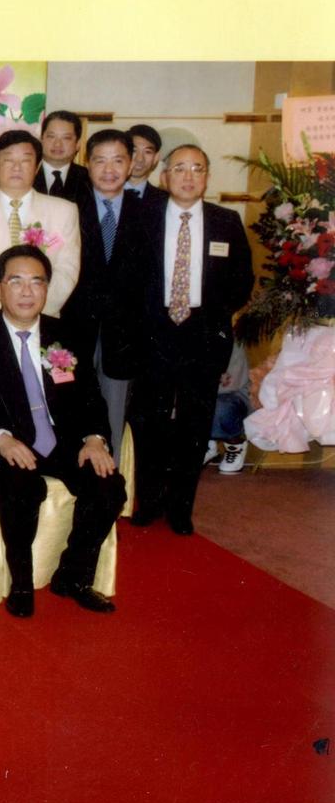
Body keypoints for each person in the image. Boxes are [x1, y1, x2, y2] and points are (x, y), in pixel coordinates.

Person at [0, 246, 124, 617]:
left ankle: (73, 576)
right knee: (22, 486)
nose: (27, 291)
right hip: (7, 442)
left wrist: (94, 438)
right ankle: (22, 583)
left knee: (108, 485)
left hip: (61, 440)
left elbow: (91, 395)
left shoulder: (66, 333)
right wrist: (0, 438)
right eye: (16, 281)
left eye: (36, 282)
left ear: (47, 288)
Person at [124, 145, 253, 535]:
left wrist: (212, 316)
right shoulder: (141, 216)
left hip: (202, 334)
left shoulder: (226, 221)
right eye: (180, 168)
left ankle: (181, 507)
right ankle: (149, 501)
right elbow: (127, 277)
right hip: (154, 331)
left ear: (207, 177)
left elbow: (242, 281)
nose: (188, 176)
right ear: (165, 175)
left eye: (197, 169)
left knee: (194, 426)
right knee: (149, 421)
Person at [60, 128, 146, 464]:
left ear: (131, 164)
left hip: (124, 335)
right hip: (73, 328)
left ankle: (112, 482)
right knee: (69, 406)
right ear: (87, 162)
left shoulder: (149, 212)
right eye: (100, 161)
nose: (109, 170)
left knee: (113, 415)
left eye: (118, 161)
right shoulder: (67, 208)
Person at [0, 128, 81, 321]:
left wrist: (34, 312)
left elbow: (67, 270)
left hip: (43, 319)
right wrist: (4, 314)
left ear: (37, 167)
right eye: (8, 160)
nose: (16, 167)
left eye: (25, 160)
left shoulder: (64, 211)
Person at [205, 341, 251, 475]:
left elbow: (230, 384)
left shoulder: (231, 342)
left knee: (219, 406)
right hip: (206, 394)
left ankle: (234, 444)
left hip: (232, 397)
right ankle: (207, 445)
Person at [34, 110, 93, 203]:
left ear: (78, 144)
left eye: (66, 138)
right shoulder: (26, 173)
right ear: (41, 139)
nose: (57, 144)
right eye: (51, 136)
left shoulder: (89, 179)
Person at [125, 124, 169, 206]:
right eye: (134, 151)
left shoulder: (166, 200)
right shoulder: (105, 192)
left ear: (156, 158)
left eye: (147, 152)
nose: (139, 159)